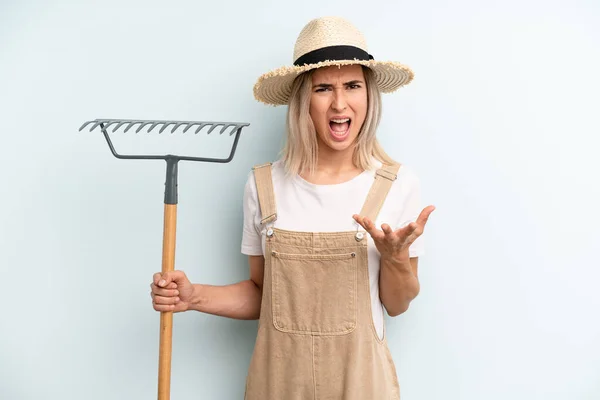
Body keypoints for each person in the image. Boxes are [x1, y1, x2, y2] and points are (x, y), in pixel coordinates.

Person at [150, 16, 435, 400]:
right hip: (277, 385)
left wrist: (396, 259)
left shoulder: (397, 185)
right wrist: (193, 297)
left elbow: (397, 305)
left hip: (362, 386)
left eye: (352, 85)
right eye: (323, 88)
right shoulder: (264, 186)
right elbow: (262, 294)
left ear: (369, 95)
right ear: (304, 99)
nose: (339, 103)